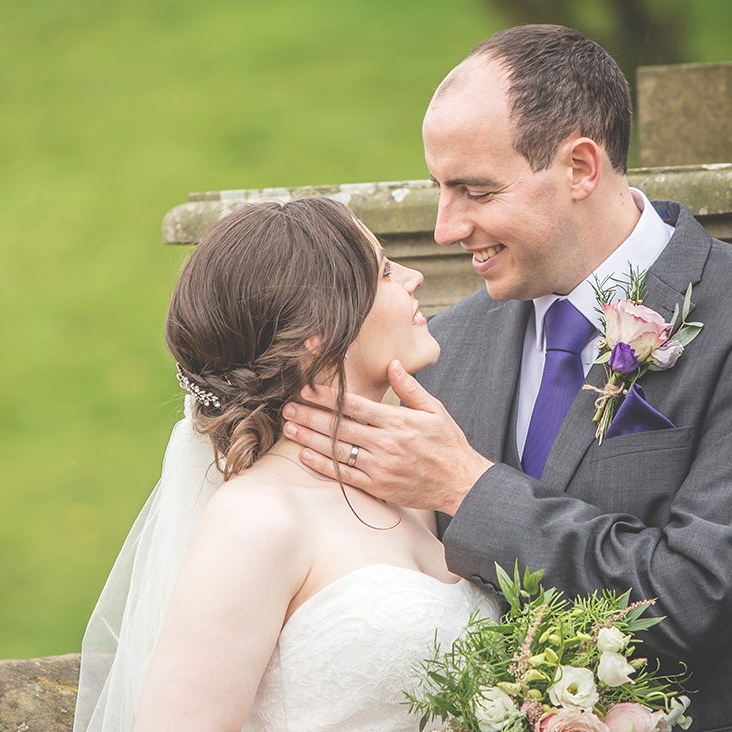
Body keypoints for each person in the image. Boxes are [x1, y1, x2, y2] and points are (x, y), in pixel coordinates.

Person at [281, 24, 732, 729]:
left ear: (580, 168)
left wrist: (466, 488)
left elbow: (698, 594)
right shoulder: (444, 349)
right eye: (438, 188)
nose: (444, 228)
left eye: (473, 190)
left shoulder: (726, 318)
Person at [73, 197, 497, 731]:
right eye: (385, 272)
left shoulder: (407, 485)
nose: (414, 277)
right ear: (319, 337)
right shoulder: (255, 519)